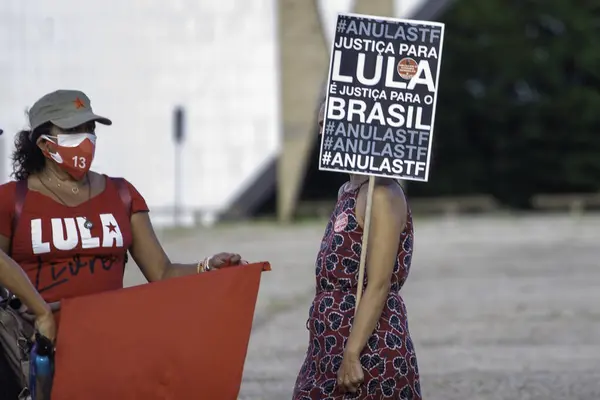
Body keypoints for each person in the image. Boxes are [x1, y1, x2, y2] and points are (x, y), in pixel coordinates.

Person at [0, 89, 245, 396]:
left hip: (109, 350)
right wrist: (41, 312)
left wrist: (208, 266)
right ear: (44, 142)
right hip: (39, 350)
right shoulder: (12, 199)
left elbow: (162, 273)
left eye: (90, 129)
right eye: (73, 130)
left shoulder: (121, 194)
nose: (86, 138)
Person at [292, 102, 421, 399]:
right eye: (321, 120)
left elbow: (378, 283)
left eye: (331, 119)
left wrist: (352, 353)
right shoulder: (348, 192)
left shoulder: (383, 194)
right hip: (327, 348)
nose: (322, 128)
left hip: (369, 350)